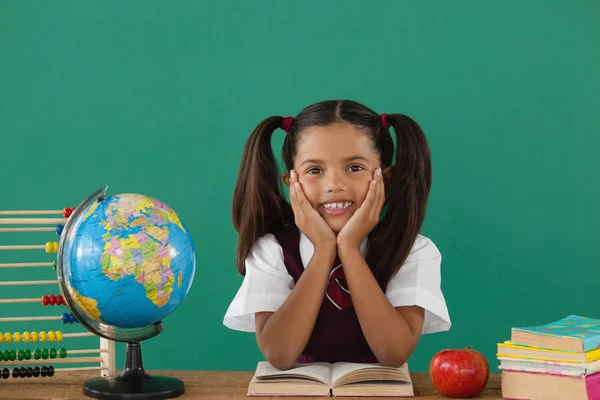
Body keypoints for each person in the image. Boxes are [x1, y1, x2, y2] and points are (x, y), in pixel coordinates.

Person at [223, 100, 451, 370]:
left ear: (385, 178)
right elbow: (279, 354)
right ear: (291, 183)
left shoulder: (413, 251)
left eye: (354, 168)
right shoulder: (272, 250)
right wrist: (323, 249)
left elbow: (394, 353)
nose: (334, 185)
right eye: (314, 170)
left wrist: (350, 249)